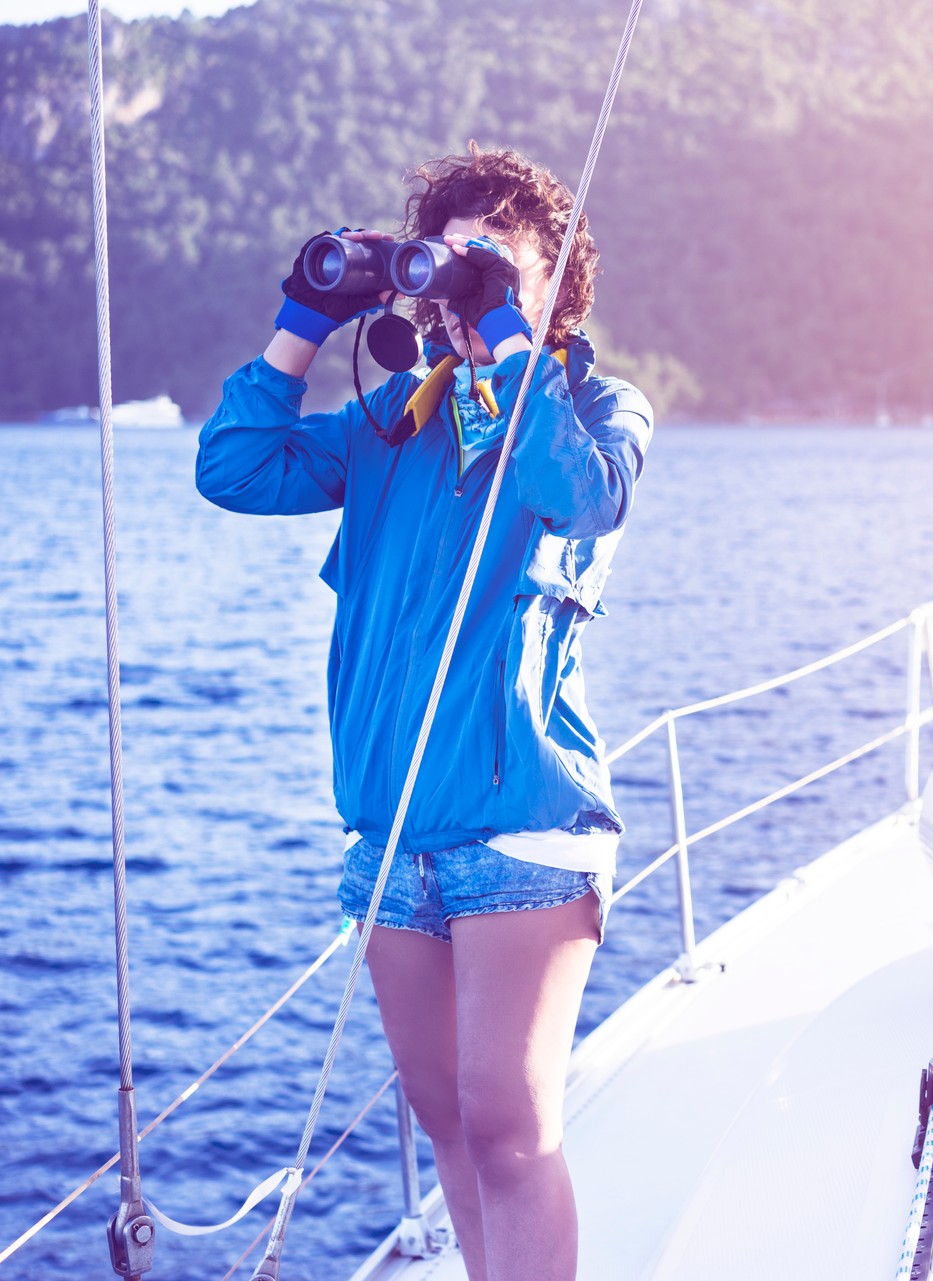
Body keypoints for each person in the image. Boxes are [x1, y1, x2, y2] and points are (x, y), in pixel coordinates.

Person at [196, 144, 652, 1281]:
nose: (463, 280)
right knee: (448, 1124)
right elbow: (236, 467)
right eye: (449, 259)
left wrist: (503, 336)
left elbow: (579, 494)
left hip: (522, 826)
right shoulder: (391, 418)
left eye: (498, 262)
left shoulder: (596, 408)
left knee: (509, 1123)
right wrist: (307, 315)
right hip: (393, 839)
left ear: (557, 284)